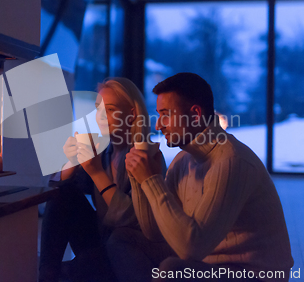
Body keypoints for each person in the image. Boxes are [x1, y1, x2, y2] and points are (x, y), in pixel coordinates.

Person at [110, 73, 293, 282]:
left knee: (173, 269)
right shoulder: (183, 160)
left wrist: (152, 181)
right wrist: (139, 177)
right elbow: (154, 232)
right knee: (123, 239)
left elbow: (191, 248)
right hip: (205, 264)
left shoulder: (232, 161)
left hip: (253, 275)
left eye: (166, 114)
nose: (159, 125)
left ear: (195, 114)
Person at [39, 77, 167, 282]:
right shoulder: (104, 153)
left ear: (131, 114)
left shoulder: (148, 156)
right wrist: (70, 164)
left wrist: (97, 173)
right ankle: (46, 274)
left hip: (131, 249)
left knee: (82, 265)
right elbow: (60, 201)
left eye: (110, 110)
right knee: (65, 194)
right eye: (98, 110)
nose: (101, 117)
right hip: (101, 240)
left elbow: (132, 220)